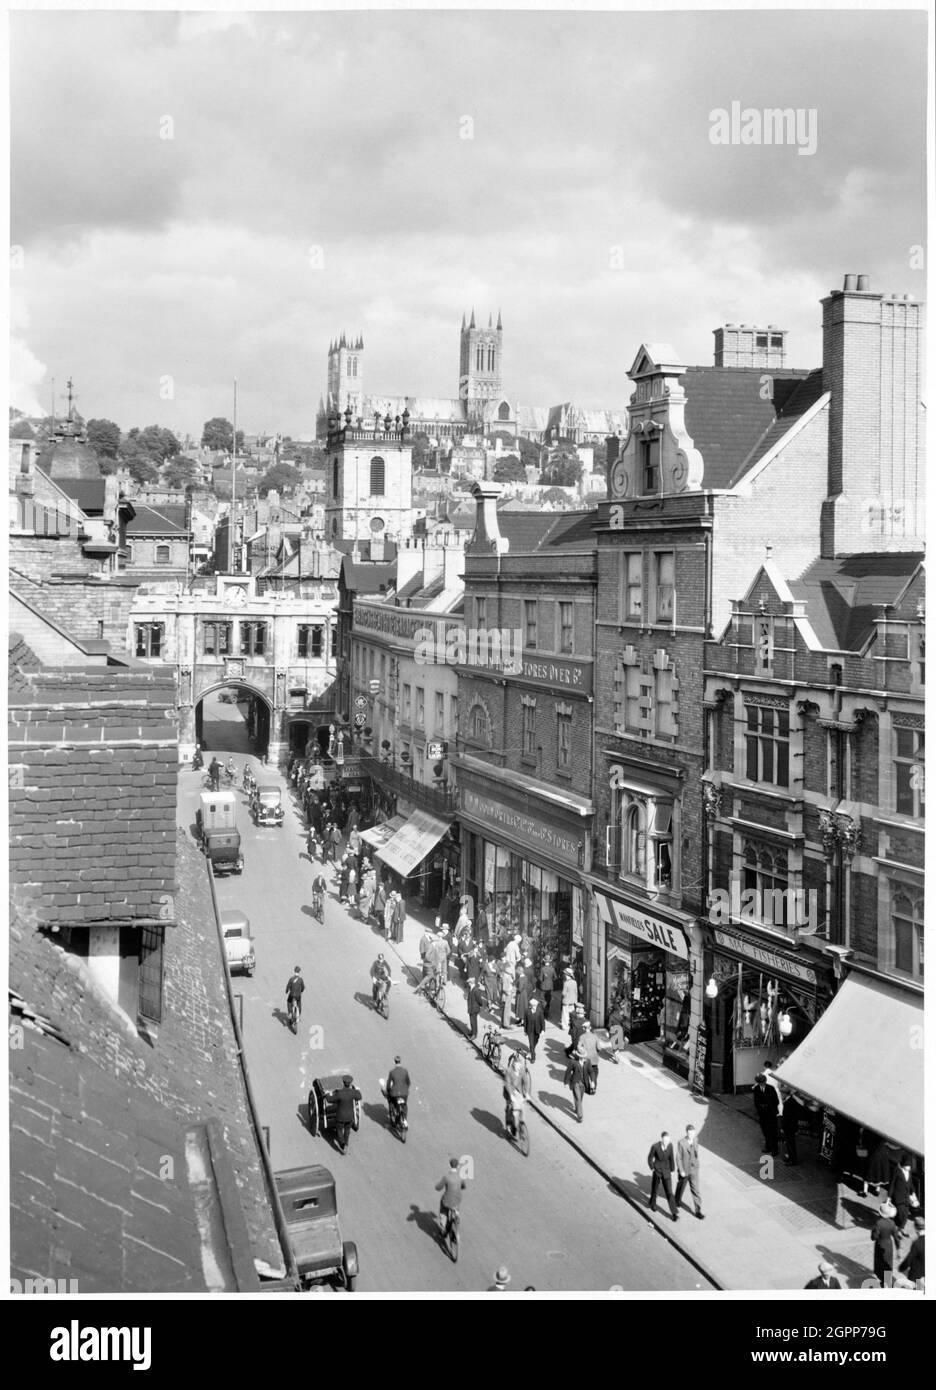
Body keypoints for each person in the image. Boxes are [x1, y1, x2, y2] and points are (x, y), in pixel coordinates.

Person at [648, 1131, 679, 1221]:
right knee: (654, 1189)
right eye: (665, 1140)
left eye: (668, 1140)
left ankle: (674, 1213)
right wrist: (652, 1168)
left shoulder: (670, 1146)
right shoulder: (655, 1147)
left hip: (666, 1171)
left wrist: (672, 1169)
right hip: (657, 1171)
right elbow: (650, 1158)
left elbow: (671, 1158)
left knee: (669, 1192)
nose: (666, 1142)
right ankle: (652, 1204)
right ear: (662, 1139)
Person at [675, 1124, 705, 1219]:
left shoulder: (696, 1140)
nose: (691, 1134)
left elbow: (696, 1153)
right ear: (686, 1133)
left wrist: (696, 1163)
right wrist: (681, 1170)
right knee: (681, 1187)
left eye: (692, 1133)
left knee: (695, 1190)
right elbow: (678, 1157)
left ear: (694, 1132)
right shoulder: (681, 1143)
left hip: (694, 1170)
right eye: (689, 1133)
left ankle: (698, 1211)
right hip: (684, 1170)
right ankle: (677, 1200)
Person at [503, 1050, 532, 1138]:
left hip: (518, 1092)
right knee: (510, 1110)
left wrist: (526, 1093)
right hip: (509, 1093)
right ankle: (509, 1126)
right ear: (513, 1064)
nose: (518, 1067)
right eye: (517, 1065)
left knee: (522, 1109)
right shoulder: (509, 1071)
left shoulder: (522, 1070)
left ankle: (522, 1127)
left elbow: (526, 1081)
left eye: (520, 1066)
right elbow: (507, 1084)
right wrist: (511, 1095)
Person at [888, 1155, 919, 1235]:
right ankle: (898, 1229)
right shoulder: (897, 1171)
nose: (909, 1167)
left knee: (905, 1214)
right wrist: (889, 1197)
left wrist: (913, 1192)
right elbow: (892, 1184)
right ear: (904, 1165)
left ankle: (901, 1228)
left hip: (906, 1197)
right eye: (908, 1165)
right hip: (898, 1197)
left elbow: (910, 1183)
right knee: (901, 1213)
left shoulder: (909, 1172)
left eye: (910, 1166)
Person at [872, 1200, 899, 1286]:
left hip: (880, 1244)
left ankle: (881, 1280)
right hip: (889, 1245)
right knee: (888, 1262)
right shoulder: (892, 1223)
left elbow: (874, 1237)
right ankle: (887, 1281)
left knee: (879, 1262)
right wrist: (898, 1248)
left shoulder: (878, 1223)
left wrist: (873, 1232)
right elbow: (896, 1238)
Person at [752, 1073, 780, 1156]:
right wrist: (760, 1108)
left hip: (771, 1114)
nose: (761, 1084)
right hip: (762, 1114)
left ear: (765, 1081)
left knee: (773, 1132)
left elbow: (776, 1101)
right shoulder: (756, 1089)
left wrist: (768, 1106)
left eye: (762, 1082)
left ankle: (775, 1149)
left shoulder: (771, 1088)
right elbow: (756, 1101)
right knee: (765, 1131)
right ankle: (768, 1147)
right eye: (759, 1082)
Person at [435, 1157, 466, 1230]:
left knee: (443, 1208)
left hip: (447, 1200)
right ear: (458, 1166)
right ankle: (456, 1214)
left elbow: (438, 1187)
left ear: (450, 1165)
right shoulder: (460, 1177)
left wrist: (437, 1187)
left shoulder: (446, 1177)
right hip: (457, 1200)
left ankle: (443, 1225)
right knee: (456, 1205)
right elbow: (463, 1186)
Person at [334, 1075, 362, 1154]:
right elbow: (359, 1096)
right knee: (347, 1130)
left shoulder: (339, 1093)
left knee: (339, 1130)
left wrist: (327, 1095)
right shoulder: (353, 1093)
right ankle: (346, 1143)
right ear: (350, 1083)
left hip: (340, 1116)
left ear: (343, 1083)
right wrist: (357, 1090)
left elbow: (330, 1100)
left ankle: (342, 1144)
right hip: (349, 1117)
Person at [898, 1217, 925, 1291]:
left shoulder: (917, 1243)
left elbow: (910, 1258)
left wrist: (902, 1267)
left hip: (917, 1272)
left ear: (915, 1227)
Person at [386, 1055, 410, 1129]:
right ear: (400, 1061)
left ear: (394, 1062)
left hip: (395, 1093)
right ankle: (405, 1119)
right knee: (405, 1105)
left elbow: (388, 1084)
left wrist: (388, 1090)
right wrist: (405, 1089)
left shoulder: (392, 1072)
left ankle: (394, 1116)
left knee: (391, 1102)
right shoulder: (405, 1071)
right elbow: (408, 1082)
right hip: (404, 1093)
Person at [576, 1018, 600, 1092]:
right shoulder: (595, 1036)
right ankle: (594, 1087)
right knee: (594, 1073)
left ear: (583, 1028)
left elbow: (578, 1047)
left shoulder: (582, 1037)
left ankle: (587, 1088)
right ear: (590, 1027)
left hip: (586, 1059)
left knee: (586, 1074)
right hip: (594, 1058)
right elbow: (599, 1048)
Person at [564, 1049, 586, 1123]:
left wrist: (592, 1081)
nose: (582, 1058)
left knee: (580, 1098)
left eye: (583, 1056)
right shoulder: (573, 1062)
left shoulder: (587, 1062)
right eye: (581, 1056)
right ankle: (580, 1116)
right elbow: (568, 1072)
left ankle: (577, 1109)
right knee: (578, 1098)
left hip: (583, 1084)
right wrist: (566, 1082)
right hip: (575, 1082)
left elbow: (591, 1071)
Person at [781, 1091, 803, 1166]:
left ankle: (793, 1160)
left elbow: (787, 1117)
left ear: (785, 1094)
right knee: (789, 1144)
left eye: (781, 1093)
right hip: (791, 1126)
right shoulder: (790, 1101)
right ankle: (791, 1157)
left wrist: (783, 1127)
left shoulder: (789, 1102)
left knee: (790, 1144)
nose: (781, 1095)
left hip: (789, 1127)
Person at [523, 995, 545, 1062]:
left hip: (537, 1030)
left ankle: (531, 1050)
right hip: (530, 1031)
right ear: (531, 1005)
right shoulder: (527, 1011)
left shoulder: (540, 1011)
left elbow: (542, 1021)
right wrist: (525, 1031)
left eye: (535, 1005)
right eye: (533, 1006)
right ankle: (533, 1057)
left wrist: (543, 1030)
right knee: (531, 1044)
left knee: (536, 1041)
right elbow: (525, 1021)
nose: (534, 1007)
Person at [560, 967, 578, 1033]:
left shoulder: (566, 983)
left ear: (566, 975)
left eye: (565, 974)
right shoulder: (574, 982)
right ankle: (572, 1025)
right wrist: (575, 999)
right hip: (572, 1001)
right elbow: (576, 991)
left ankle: (565, 1026)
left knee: (565, 1015)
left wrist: (563, 994)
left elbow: (563, 993)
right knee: (572, 1014)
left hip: (566, 1001)